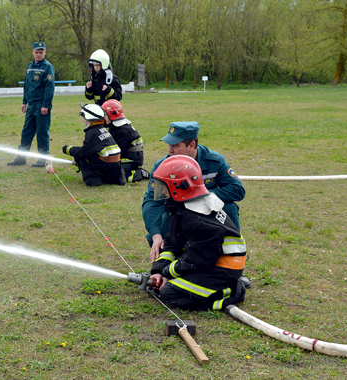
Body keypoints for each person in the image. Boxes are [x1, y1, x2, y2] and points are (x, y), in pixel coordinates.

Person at [148, 155, 247, 310]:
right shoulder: (182, 206)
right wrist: (159, 270)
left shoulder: (197, 219)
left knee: (168, 294)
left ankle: (231, 292)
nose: (161, 191)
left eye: (163, 186)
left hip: (223, 269)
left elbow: (197, 259)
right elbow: (173, 242)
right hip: (209, 261)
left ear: (178, 186)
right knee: (161, 289)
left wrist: (168, 274)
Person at [142, 122, 245, 262]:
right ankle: (170, 262)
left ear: (191, 146)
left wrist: (198, 194)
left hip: (207, 213)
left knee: (229, 208)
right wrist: (156, 236)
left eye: (176, 145)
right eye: (169, 144)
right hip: (176, 214)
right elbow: (153, 201)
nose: (170, 150)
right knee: (160, 227)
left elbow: (237, 190)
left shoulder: (214, 161)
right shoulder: (163, 167)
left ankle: (233, 259)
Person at [8, 41, 55, 167]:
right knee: (26, 131)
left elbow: (49, 88)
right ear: (33, 52)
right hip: (31, 105)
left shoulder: (47, 67)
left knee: (41, 132)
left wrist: (45, 105)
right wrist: (24, 102)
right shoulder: (29, 67)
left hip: (41, 105)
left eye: (41, 52)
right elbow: (26, 85)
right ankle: (21, 157)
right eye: (36, 52)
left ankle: (43, 158)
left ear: (45, 53)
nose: (38, 55)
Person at [61, 103, 126, 187]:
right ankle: (114, 179)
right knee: (90, 154)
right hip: (115, 165)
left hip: (106, 165)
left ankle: (93, 180)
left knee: (84, 158)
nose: (83, 120)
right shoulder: (102, 129)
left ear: (90, 118)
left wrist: (68, 149)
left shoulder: (92, 132)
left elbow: (83, 152)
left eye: (84, 118)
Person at [101, 100, 149, 183]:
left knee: (112, 174)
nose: (104, 117)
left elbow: (117, 152)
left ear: (112, 114)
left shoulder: (123, 131)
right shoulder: (117, 127)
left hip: (130, 160)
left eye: (105, 114)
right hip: (130, 157)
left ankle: (137, 173)